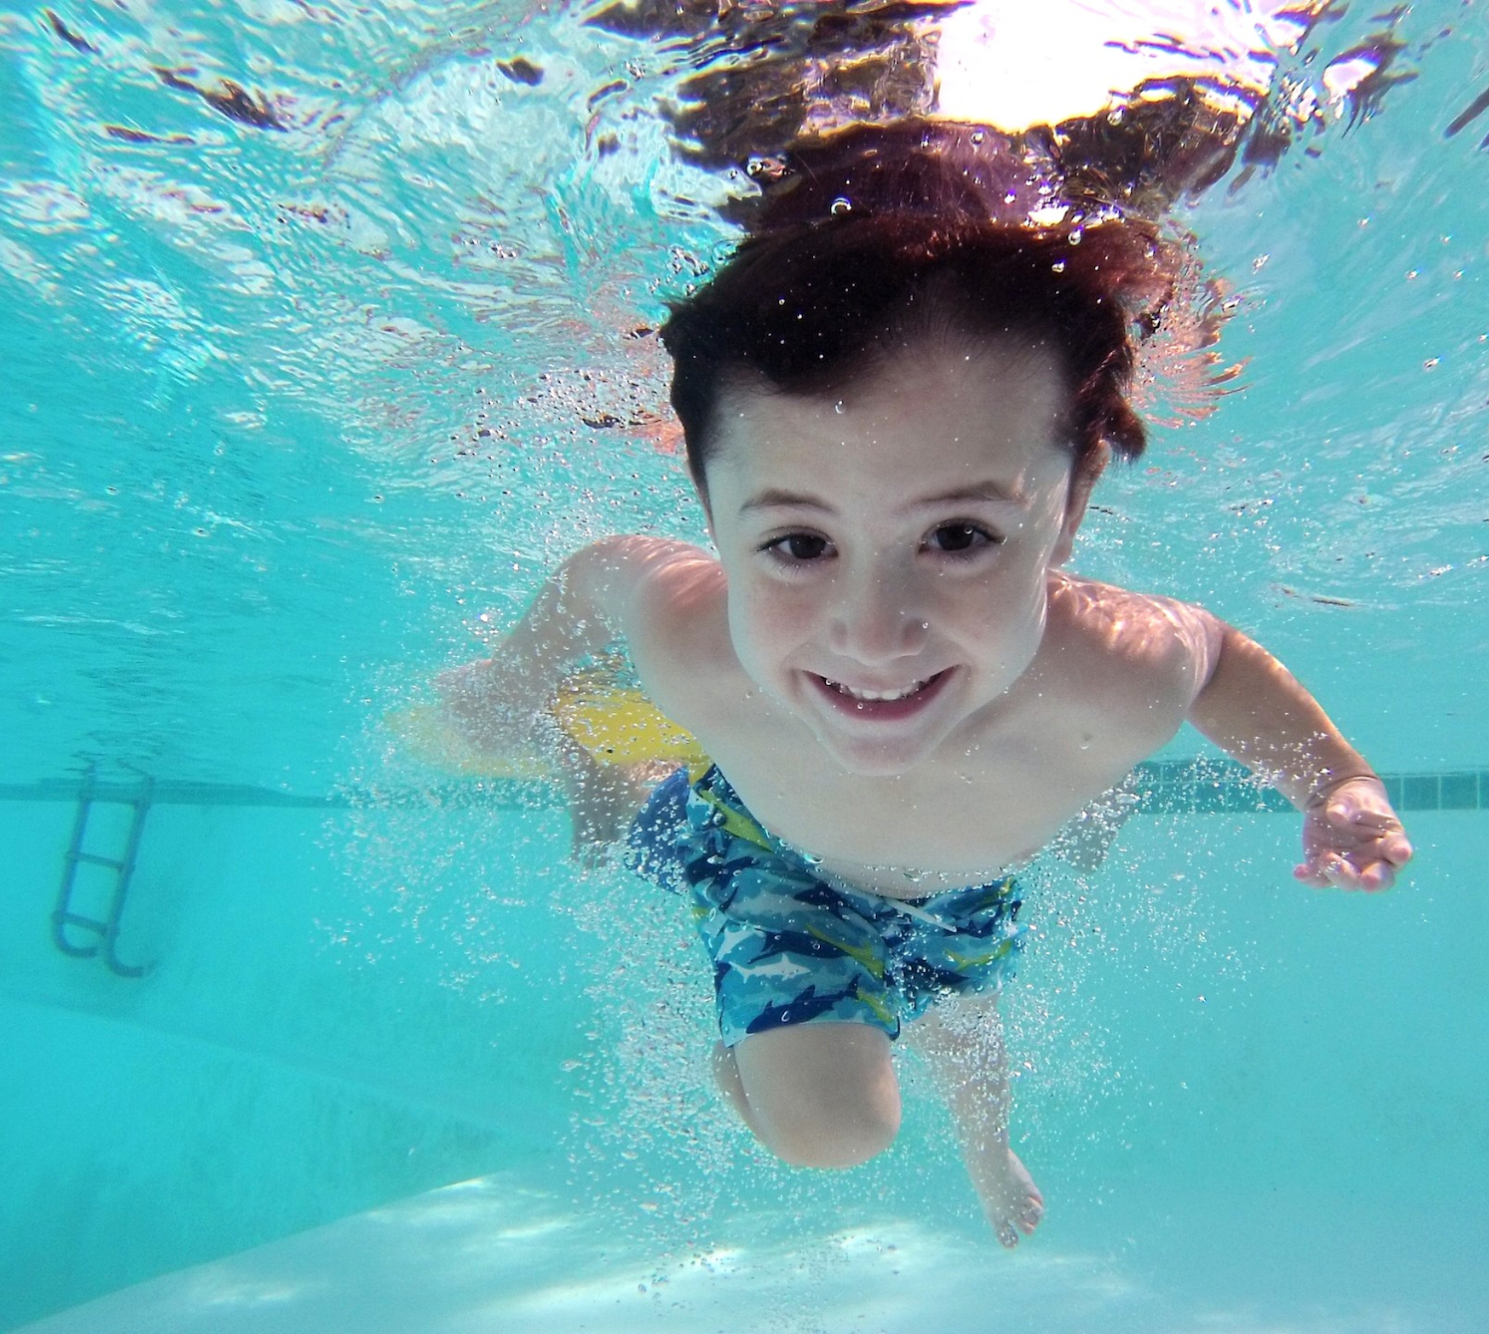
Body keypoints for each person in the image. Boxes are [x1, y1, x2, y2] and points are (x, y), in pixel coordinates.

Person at [432, 127, 1413, 1249]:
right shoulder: (695, 644)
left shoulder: (1118, 667)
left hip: (963, 886)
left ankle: (987, 1150)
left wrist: (1333, 780)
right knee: (833, 1129)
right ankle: (615, 792)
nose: (873, 637)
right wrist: (513, 679)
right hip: (766, 857)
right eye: (798, 544)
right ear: (711, 515)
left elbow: (1221, 661)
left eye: (956, 536)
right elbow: (602, 573)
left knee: (962, 1020)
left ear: (1071, 504)